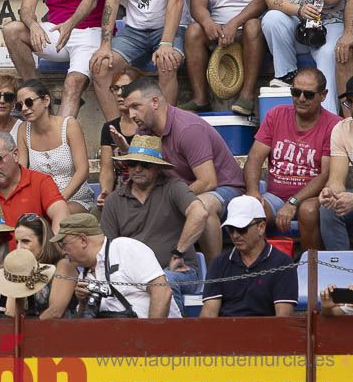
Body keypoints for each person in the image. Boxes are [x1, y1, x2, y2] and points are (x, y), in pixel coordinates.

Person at [122, 75, 246, 258]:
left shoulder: (187, 129)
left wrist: (169, 202)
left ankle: (214, 277)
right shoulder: (144, 129)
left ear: (155, 102)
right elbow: (148, 173)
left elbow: (208, 181)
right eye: (129, 109)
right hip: (182, 189)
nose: (131, 115)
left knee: (202, 205)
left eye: (135, 107)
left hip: (225, 188)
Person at [99, 135, 208, 312]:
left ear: (158, 168)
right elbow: (107, 251)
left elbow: (200, 213)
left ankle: (167, 336)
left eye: (145, 164)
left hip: (180, 272)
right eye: (133, 164)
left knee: (165, 281)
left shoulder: (174, 187)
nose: (138, 169)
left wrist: (178, 252)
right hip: (133, 277)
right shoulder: (114, 200)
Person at [244, 67, 340, 244]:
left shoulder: (334, 125)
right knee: (250, 208)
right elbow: (254, 158)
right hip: (275, 196)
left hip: (312, 196)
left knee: (308, 211)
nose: (301, 99)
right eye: (296, 92)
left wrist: (293, 202)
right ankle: (262, 267)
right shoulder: (276, 114)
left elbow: (325, 175)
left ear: (323, 95)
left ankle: (311, 267)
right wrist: (253, 192)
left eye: (309, 94)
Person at [54, 212, 178, 318]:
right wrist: (82, 303)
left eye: (64, 244)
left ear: (83, 240)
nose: (64, 252)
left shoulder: (125, 248)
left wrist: (151, 335)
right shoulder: (84, 275)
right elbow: (84, 323)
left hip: (155, 338)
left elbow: (162, 291)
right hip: (116, 338)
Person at [201, 195, 298, 316]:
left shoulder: (283, 262)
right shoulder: (219, 263)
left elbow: (283, 318)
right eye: (230, 229)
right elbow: (208, 315)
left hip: (266, 333)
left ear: (261, 227)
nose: (235, 235)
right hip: (225, 333)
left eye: (242, 229)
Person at [15, 79, 95, 213]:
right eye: (19, 105)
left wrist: (58, 201)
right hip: (41, 200)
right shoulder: (23, 129)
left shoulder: (69, 125)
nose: (24, 109)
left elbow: (83, 171)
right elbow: (22, 172)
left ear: (46, 100)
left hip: (75, 198)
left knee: (58, 215)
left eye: (29, 102)